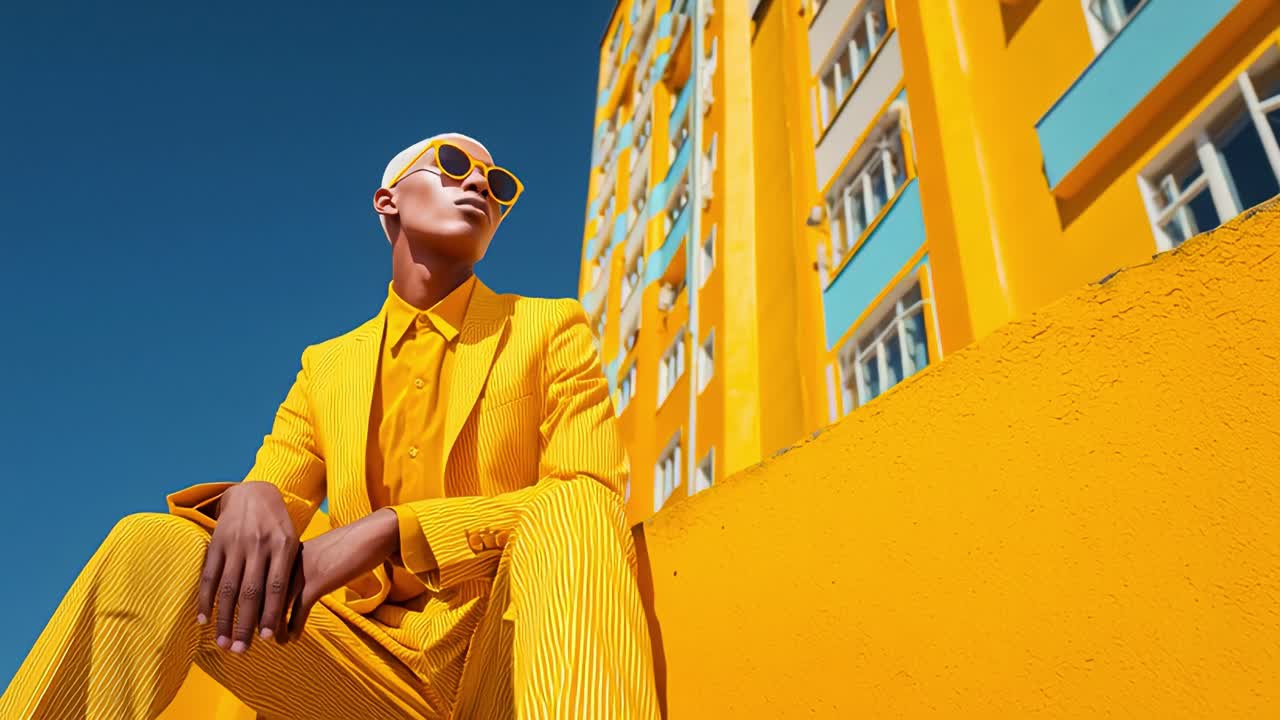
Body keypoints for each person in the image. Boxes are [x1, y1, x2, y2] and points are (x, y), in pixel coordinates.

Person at [1, 133, 660, 719]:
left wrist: (395, 529)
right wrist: (252, 492)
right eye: (454, 164)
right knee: (153, 544)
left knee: (574, 508)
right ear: (387, 202)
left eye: (499, 183)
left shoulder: (549, 328)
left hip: (508, 657)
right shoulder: (326, 367)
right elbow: (272, 507)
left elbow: (591, 490)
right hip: (353, 671)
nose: (481, 185)